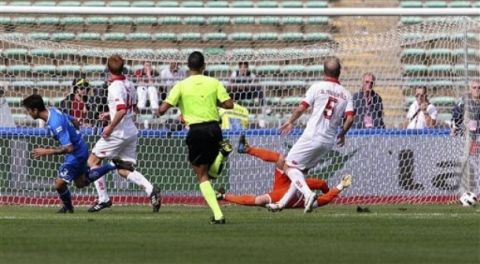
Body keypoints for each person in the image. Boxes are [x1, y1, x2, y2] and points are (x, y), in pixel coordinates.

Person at [267, 56, 355, 213]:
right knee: (299, 172)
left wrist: (291, 121)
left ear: (324, 71)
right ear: (339, 72)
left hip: (312, 136)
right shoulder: (346, 94)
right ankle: (282, 204)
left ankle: (308, 194)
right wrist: (342, 133)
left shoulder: (317, 87)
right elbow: (350, 118)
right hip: (328, 141)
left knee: (287, 166)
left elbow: (302, 108)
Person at [157, 51, 234, 224]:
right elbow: (229, 104)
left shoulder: (181, 85)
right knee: (209, 174)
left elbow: (162, 109)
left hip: (197, 130)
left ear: (188, 66)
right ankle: (222, 154)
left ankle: (218, 215)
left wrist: (166, 109)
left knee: (201, 176)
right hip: (215, 128)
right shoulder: (213, 82)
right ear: (204, 66)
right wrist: (213, 101)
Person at [88, 54, 161, 213]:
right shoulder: (129, 83)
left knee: (93, 162)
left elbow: (121, 110)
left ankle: (103, 199)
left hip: (118, 132)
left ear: (108, 69)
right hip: (131, 131)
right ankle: (150, 189)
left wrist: (109, 127)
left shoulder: (114, 87)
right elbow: (133, 108)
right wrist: (110, 113)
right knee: (123, 169)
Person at [22, 94, 117, 213]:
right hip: (80, 147)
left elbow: (69, 148)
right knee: (81, 182)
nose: (28, 113)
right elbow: (74, 120)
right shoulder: (53, 110)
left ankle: (68, 207)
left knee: (59, 184)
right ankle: (113, 165)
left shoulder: (55, 122)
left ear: (35, 110)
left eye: (28, 111)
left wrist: (46, 151)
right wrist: (75, 135)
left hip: (75, 153)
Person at [216, 134, 352, 209]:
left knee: (259, 200)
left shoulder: (306, 202)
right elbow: (323, 188)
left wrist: (340, 187)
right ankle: (245, 149)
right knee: (281, 159)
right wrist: (339, 187)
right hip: (288, 182)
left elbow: (324, 196)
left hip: (281, 192)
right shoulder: (307, 187)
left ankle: (222, 196)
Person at [451, 80, 480, 193]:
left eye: (479, 87)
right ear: (470, 89)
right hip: (468, 136)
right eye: (474, 87)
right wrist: (455, 128)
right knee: (465, 161)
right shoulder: (464, 100)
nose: (477, 90)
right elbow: (456, 114)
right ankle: (464, 189)